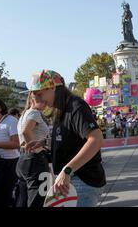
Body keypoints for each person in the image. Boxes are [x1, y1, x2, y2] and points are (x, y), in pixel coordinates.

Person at [25, 70, 106, 207]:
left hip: (82, 179)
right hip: (71, 179)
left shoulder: (75, 106)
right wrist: (44, 142)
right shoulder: (60, 109)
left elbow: (96, 139)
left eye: (39, 94)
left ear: (53, 88)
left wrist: (68, 170)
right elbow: (69, 137)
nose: (38, 100)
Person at [15, 93, 50, 207]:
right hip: (35, 159)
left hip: (23, 159)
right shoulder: (35, 113)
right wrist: (34, 148)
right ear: (34, 100)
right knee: (38, 199)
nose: (46, 104)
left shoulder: (24, 114)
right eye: (44, 101)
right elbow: (26, 131)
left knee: (23, 199)